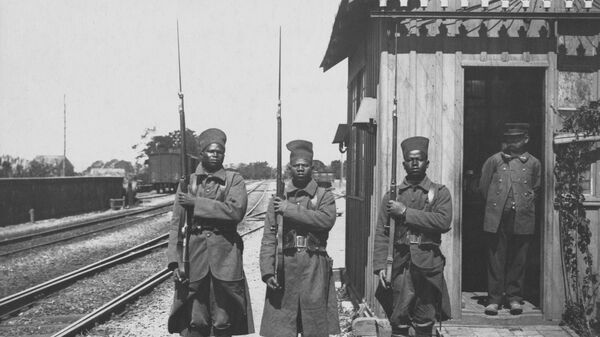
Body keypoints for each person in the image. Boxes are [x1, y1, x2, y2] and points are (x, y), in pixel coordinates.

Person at [166, 128, 254, 337]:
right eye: (211, 151)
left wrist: (196, 203)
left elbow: (235, 211)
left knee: (223, 320)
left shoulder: (234, 180)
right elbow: (176, 224)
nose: (215, 155)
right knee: (197, 320)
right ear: (202, 153)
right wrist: (174, 261)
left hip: (225, 258)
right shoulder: (187, 183)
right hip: (194, 258)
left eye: (220, 152)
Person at [259, 139, 340, 337]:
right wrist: (268, 271)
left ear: (312, 167)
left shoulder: (324, 196)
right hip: (284, 267)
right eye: (296, 166)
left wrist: (290, 210)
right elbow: (269, 236)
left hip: (314, 266)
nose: (301, 169)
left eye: (305, 165)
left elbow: (325, 221)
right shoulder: (279, 199)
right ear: (290, 168)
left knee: (314, 327)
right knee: (282, 327)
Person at [373, 136, 452, 337]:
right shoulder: (392, 196)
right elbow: (383, 232)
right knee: (398, 318)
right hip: (401, 264)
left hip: (428, 263)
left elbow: (443, 222)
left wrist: (406, 213)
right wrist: (381, 265)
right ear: (403, 163)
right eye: (410, 159)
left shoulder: (440, 193)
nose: (415, 163)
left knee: (426, 317)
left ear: (427, 162)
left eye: (419, 159)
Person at [480, 123, 541, 316]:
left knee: (518, 258)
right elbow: (483, 187)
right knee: (496, 258)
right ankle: (494, 300)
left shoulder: (533, 163)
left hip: (522, 217)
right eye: (510, 138)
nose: (513, 142)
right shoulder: (495, 160)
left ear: (526, 139)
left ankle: (514, 298)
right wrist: (496, 206)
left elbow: (536, 189)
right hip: (498, 216)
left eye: (517, 138)